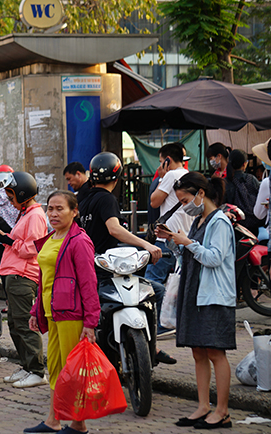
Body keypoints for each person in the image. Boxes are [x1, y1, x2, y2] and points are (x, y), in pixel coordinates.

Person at [156, 173, 236, 429]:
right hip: (195, 292)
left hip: (214, 295)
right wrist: (173, 240)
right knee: (198, 352)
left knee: (215, 351)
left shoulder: (220, 221)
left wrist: (187, 242)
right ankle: (203, 406)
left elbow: (214, 258)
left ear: (201, 193)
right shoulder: (199, 220)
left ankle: (222, 411)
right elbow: (189, 254)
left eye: (185, 199)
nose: (183, 205)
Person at [79, 153, 174, 364]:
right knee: (156, 291)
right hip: (107, 270)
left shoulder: (84, 200)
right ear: (117, 177)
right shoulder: (106, 199)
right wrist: (147, 245)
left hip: (90, 267)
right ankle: (153, 347)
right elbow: (114, 230)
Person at [25, 191, 100, 434]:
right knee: (56, 367)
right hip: (52, 311)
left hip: (72, 314)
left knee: (73, 370)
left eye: (60, 209)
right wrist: (36, 310)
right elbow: (43, 279)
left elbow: (89, 283)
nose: (54, 213)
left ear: (74, 212)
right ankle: (53, 420)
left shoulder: (79, 241)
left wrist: (90, 323)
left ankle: (79, 424)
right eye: (50, 209)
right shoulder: (50, 239)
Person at [0, 171, 48, 388]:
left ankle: (37, 370)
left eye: (12, 197)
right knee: (14, 323)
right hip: (12, 274)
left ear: (22, 194)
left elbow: (32, 248)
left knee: (24, 324)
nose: (10, 202)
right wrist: (6, 237)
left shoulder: (35, 216)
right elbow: (20, 241)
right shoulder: (25, 214)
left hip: (23, 275)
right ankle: (27, 366)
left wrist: (8, 240)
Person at [147, 143, 194, 335]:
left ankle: (160, 324)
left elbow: (154, 201)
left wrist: (162, 176)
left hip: (168, 237)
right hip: (185, 236)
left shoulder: (171, 176)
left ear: (167, 160)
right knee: (178, 280)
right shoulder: (188, 176)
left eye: (160, 161)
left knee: (150, 281)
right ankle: (175, 321)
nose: (159, 166)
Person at [224, 149, 262, 233]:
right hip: (253, 225)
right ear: (244, 164)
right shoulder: (251, 179)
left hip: (233, 225)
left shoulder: (225, 182)